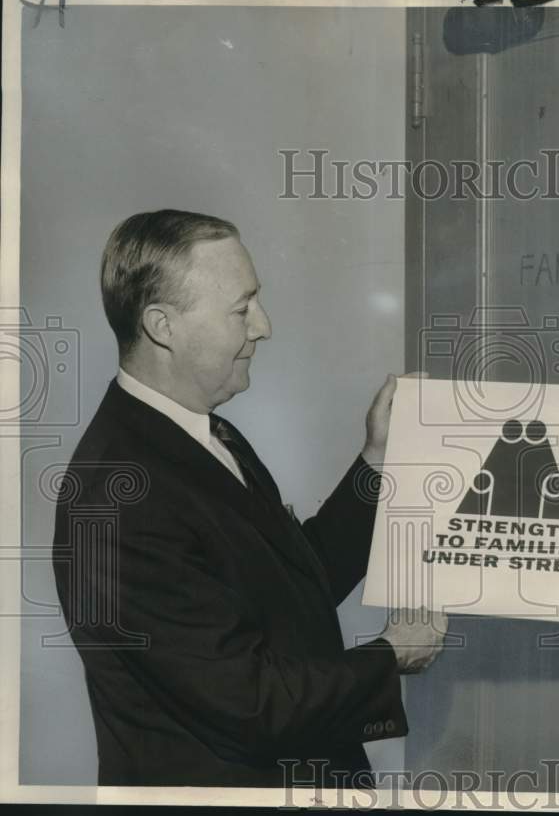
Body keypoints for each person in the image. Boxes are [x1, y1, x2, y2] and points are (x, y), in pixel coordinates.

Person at [52, 209, 446, 787]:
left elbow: (288, 585)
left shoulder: (196, 431)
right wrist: (390, 656)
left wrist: (377, 463)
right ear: (163, 326)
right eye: (242, 309)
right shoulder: (118, 498)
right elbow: (248, 704)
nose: (263, 326)